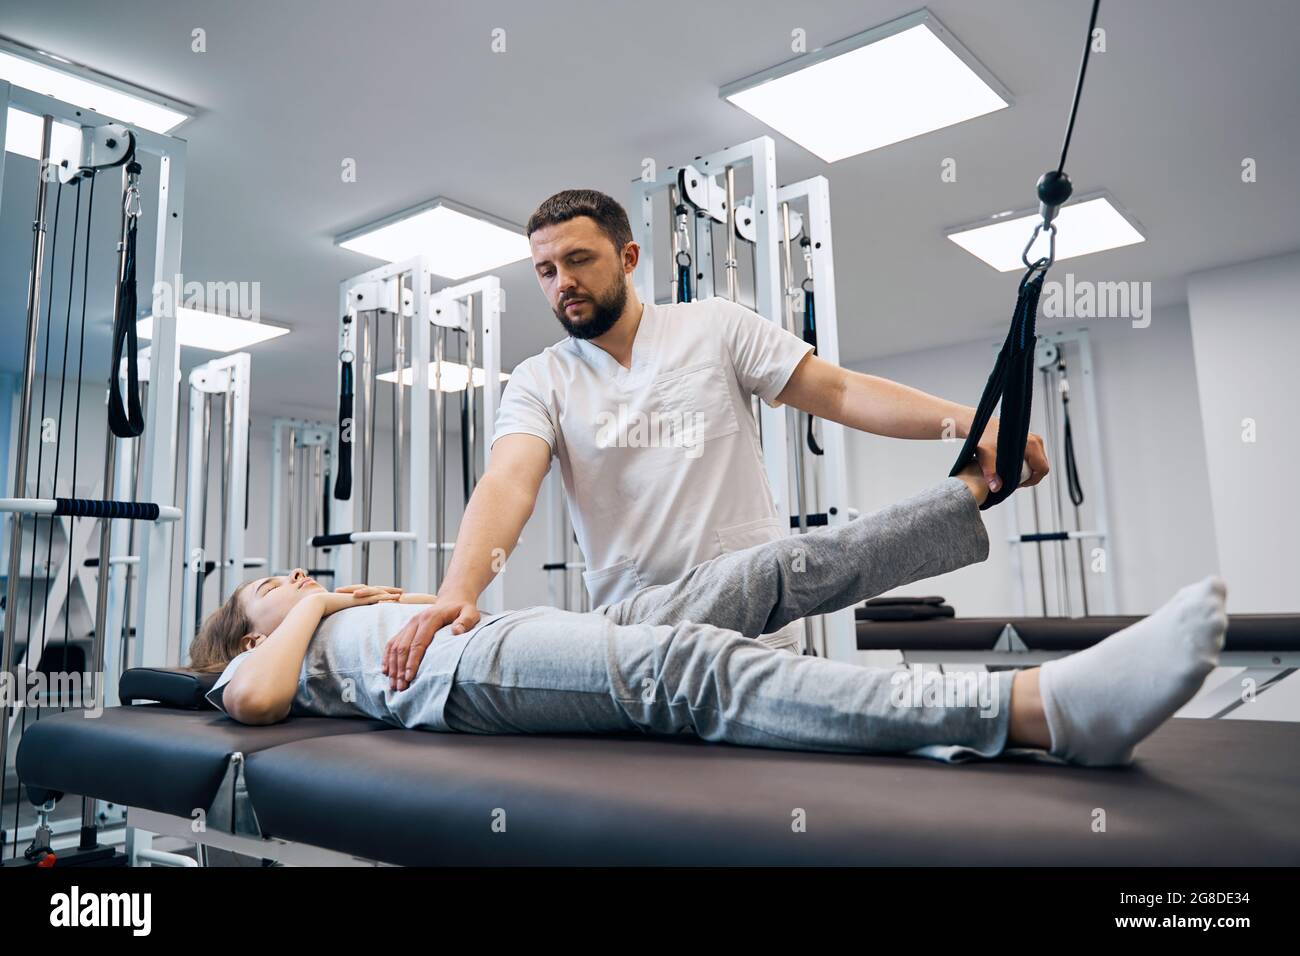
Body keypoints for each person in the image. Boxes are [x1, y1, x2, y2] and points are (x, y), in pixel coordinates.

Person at [383, 189, 1052, 678]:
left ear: (629, 257)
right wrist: (457, 595)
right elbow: (508, 481)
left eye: (579, 261)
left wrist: (980, 422)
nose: (564, 283)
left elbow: (840, 391)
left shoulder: (712, 326)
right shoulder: (540, 378)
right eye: (547, 271)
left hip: (756, 627)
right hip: (634, 639)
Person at [190, 467, 1227, 768]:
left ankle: (966, 498)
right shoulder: (270, 658)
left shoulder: (337, 619)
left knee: (764, 571)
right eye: (265, 584)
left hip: (526, 633)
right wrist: (316, 599)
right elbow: (258, 700)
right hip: (474, 679)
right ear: (246, 630)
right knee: (695, 665)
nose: (292, 573)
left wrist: (365, 596)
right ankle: (1035, 709)